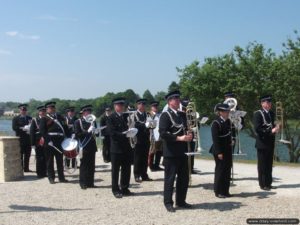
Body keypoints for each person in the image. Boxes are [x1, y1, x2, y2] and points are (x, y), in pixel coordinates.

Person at [159, 90, 193, 212]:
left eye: (178, 98)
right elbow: (162, 133)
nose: (178, 100)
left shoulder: (182, 115)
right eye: (175, 99)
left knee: (184, 178)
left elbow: (187, 129)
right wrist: (179, 138)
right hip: (171, 152)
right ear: (169, 101)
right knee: (170, 178)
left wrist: (190, 135)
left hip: (183, 151)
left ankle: (181, 201)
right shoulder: (165, 115)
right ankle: (168, 202)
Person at [107, 97, 134, 198]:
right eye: (119, 105)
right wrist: (125, 134)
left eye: (122, 105)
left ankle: (125, 188)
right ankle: (115, 189)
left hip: (126, 147)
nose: (121, 107)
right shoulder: (111, 118)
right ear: (115, 106)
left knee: (126, 169)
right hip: (116, 148)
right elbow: (112, 133)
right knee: (115, 170)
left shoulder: (125, 116)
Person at [39, 101, 69, 184]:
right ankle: (51, 178)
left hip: (59, 141)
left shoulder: (60, 117)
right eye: (50, 108)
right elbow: (42, 131)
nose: (52, 109)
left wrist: (70, 137)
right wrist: (48, 140)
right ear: (47, 109)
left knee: (60, 160)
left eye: (53, 108)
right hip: (50, 141)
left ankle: (61, 177)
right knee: (49, 161)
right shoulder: (44, 118)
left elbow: (65, 128)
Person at [253, 95, 279, 191]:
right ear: (262, 103)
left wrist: (277, 128)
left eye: (269, 103)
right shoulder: (258, 114)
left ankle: (268, 183)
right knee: (262, 164)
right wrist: (271, 131)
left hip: (270, 142)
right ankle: (262, 184)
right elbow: (258, 129)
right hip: (262, 143)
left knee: (269, 164)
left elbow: (272, 125)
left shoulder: (271, 113)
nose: (268, 104)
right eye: (266, 102)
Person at [210, 103, 233, 198]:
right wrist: (219, 152)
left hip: (227, 149)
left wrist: (232, 140)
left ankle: (225, 190)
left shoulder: (228, 122)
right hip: (219, 150)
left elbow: (230, 133)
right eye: (225, 111)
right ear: (220, 112)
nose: (227, 113)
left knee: (227, 170)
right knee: (220, 170)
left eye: (228, 111)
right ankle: (218, 191)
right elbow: (215, 139)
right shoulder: (216, 123)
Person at [74, 105, 98, 189]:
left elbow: (96, 134)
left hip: (92, 145)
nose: (89, 113)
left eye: (90, 111)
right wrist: (87, 131)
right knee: (84, 165)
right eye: (87, 111)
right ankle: (83, 183)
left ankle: (90, 182)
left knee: (91, 165)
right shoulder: (78, 122)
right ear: (83, 112)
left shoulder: (93, 121)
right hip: (83, 146)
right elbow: (78, 134)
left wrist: (96, 131)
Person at [133, 99, 152, 182]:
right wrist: (144, 125)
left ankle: (144, 174)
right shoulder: (134, 115)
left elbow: (150, 125)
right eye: (141, 104)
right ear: (137, 105)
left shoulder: (147, 114)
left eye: (144, 104)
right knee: (137, 158)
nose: (143, 105)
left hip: (146, 138)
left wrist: (152, 125)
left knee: (145, 158)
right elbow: (134, 125)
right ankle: (137, 175)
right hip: (138, 139)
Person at [12, 104, 32, 172]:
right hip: (20, 139)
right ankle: (20, 168)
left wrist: (30, 129)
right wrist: (22, 128)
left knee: (27, 155)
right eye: (22, 110)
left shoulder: (30, 118)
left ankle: (26, 168)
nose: (23, 111)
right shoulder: (16, 118)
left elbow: (32, 127)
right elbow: (14, 128)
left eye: (25, 110)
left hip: (28, 139)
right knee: (20, 155)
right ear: (19, 110)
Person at [30, 105, 47, 178]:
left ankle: (45, 172)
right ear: (39, 112)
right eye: (41, 111)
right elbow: (32, 132)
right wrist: (32, 143)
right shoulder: (35, 120)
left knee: (46, 157)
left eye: (44, 111)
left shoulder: (47, 119)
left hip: (46, 140)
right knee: (39, 157)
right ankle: (39, 173)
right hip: (38, 141)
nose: (43, 112)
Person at [148, 101, 163, 171]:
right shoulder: (149, 115)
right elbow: (149, 126)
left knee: (159, 151)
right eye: (154, 106)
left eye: (156, 106)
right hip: (153, 135)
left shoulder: (160, 114)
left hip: (159, 135)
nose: (156, 108)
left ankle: (157, 165)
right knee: (152, 151)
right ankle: (151, 166)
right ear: (151, 107)